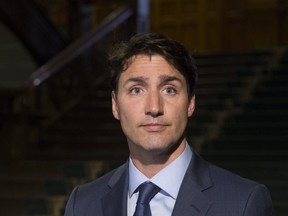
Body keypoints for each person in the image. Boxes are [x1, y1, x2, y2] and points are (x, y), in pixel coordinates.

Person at [64, 33, 274, 216]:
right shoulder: (82, 203)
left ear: (190, 103)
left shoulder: (243, 203)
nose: (154, 107)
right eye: (136, 90)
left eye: (169, 90)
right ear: (115, 105)